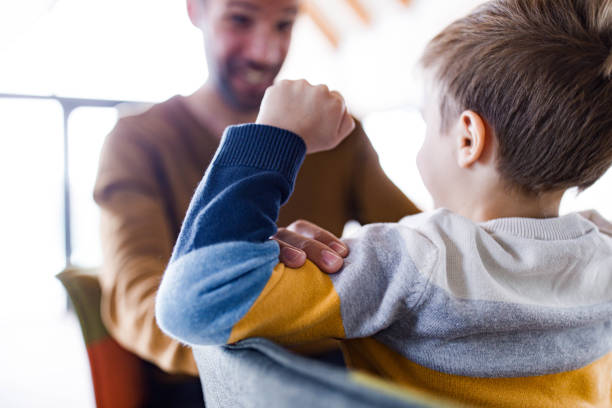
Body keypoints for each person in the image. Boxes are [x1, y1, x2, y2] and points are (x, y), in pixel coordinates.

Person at [155, 0, 612, 406]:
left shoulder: (407, 262)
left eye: (426, 121)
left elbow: (191, 304)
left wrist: (273, 139)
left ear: (468, 139)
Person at [93, 0, 419, 387]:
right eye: (240, 20)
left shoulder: (340, 139)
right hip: (204, 377)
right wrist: (270, 304)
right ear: (196, 11)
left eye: (283, 25)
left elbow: (417, 245)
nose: (266, 53)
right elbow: (135, 303)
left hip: (329, 369)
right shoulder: (137, 141)